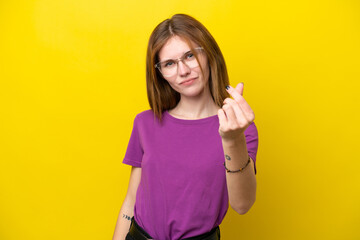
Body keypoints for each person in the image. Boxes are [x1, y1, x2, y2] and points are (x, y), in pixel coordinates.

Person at [113, 13, 259, 240]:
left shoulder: (239, 129)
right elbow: (131, 201)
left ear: (209, 54)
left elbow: (242, 204)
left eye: (190, 55)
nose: (183, 71)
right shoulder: (145, 123)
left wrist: (232, 140)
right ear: (159, 73)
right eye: (169, 63)